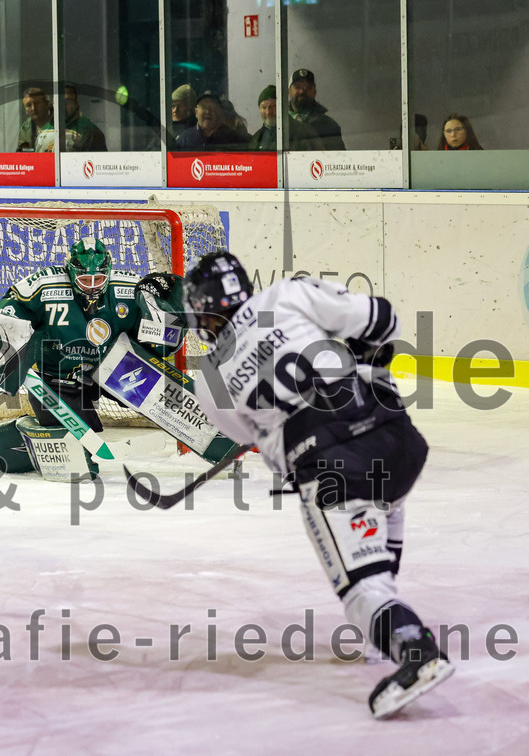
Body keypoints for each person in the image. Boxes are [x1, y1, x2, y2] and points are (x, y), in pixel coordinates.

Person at [183, 251, 454, 719]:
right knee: (383, 506)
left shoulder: (210, 377)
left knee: (360, 589)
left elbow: (257, 440)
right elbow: (383, 319)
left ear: (204, 311)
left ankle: (417, 652)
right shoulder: (285, 294)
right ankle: (383, 636)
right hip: (397, 438)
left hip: (335, 467)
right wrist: (371, 364)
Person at [0, 239, 187, 476]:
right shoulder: (45, 285)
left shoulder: (129, 287)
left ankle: (204, 430)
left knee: (165, 401)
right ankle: (22, 431)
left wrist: (172, 314)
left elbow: (158, 342)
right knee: (68, 442)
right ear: (71, 273)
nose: (93, 287)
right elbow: (9, 309)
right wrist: (9, 351)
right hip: (59, 375)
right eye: (85, 281)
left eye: (99, 280)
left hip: (117, 368)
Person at [249, 85, 323, 152]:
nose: (268, 112)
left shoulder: (304, 132)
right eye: (264, 107)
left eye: (274, 106)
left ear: (283, 107)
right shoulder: (256, 138)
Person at [288, 69, 345, 150]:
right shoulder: (279, 122)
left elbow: (337, 158)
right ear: (289, 92)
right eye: (297, 87)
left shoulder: (328, 126)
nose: (302, 91)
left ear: (314, 92)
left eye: (307, 87)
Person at [174, 91, 248, 151]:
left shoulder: (234, 138)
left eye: (213, 108)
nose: (208, 111)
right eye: (204, 107)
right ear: (196, 112)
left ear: (220, 112)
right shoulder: (185, 138)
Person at [63, 84, 107, 151]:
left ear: (76, 102)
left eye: (67, 101)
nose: (62, 106)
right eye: (56, 102)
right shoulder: (48, 128)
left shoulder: (90, 131)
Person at [16, 87, 55, 152]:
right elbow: (22, 155)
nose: (33, 108)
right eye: (29, 105)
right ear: (26, 110)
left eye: (37, 103)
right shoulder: (25, 129)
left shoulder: (59, 120)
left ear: (47, 103)